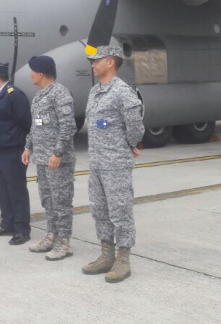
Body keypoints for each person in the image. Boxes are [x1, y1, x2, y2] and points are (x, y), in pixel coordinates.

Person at [82, 45, 145, 283]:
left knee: (120, 211)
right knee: (100, 210)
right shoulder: (94, 92)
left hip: (116, 163)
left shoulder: (122, 92)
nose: (93, 64)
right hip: (97, 162)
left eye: (97, 60)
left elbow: (136, 128)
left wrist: (129, 146)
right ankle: (106, 255)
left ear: (110, 62)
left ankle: (123, 259)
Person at [22, 55, 78, 260]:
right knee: (48, 200)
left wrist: (58, 152)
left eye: (33, 70)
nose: (30, 74)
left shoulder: (60, 94)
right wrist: (28, 147)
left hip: (57, 160)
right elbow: (35, 126)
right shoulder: (38, 96)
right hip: (42, 159)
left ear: (42, 73)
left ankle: (64, 242)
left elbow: (68, 126)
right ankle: (52, 235)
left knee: (61, 201)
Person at [0, 62, 32, 245]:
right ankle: (7, 223)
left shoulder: (14, 96)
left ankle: (22, 229)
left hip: (14, 150)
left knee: (16, 190)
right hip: (0, 149)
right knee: (3, 189)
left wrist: (23, 145)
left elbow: (26, 123)